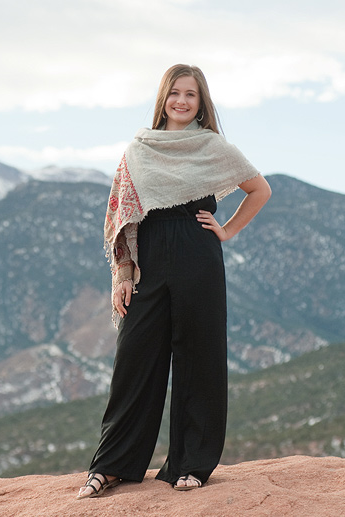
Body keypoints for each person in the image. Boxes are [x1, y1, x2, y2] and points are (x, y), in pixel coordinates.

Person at [77, 64, 271, 499]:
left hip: (198, 254)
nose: (182, 101)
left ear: (202, 104)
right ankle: (112, 466)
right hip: (149, 258)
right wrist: (122, 275)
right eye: (175, 93)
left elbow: (260, 190)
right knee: (134, 360)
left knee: (198, 358)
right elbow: (120, 217)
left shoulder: (214, 147)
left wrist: (227, 230)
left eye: (192, 95)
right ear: (163, 98)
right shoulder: (138, 150)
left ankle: (192, 463)